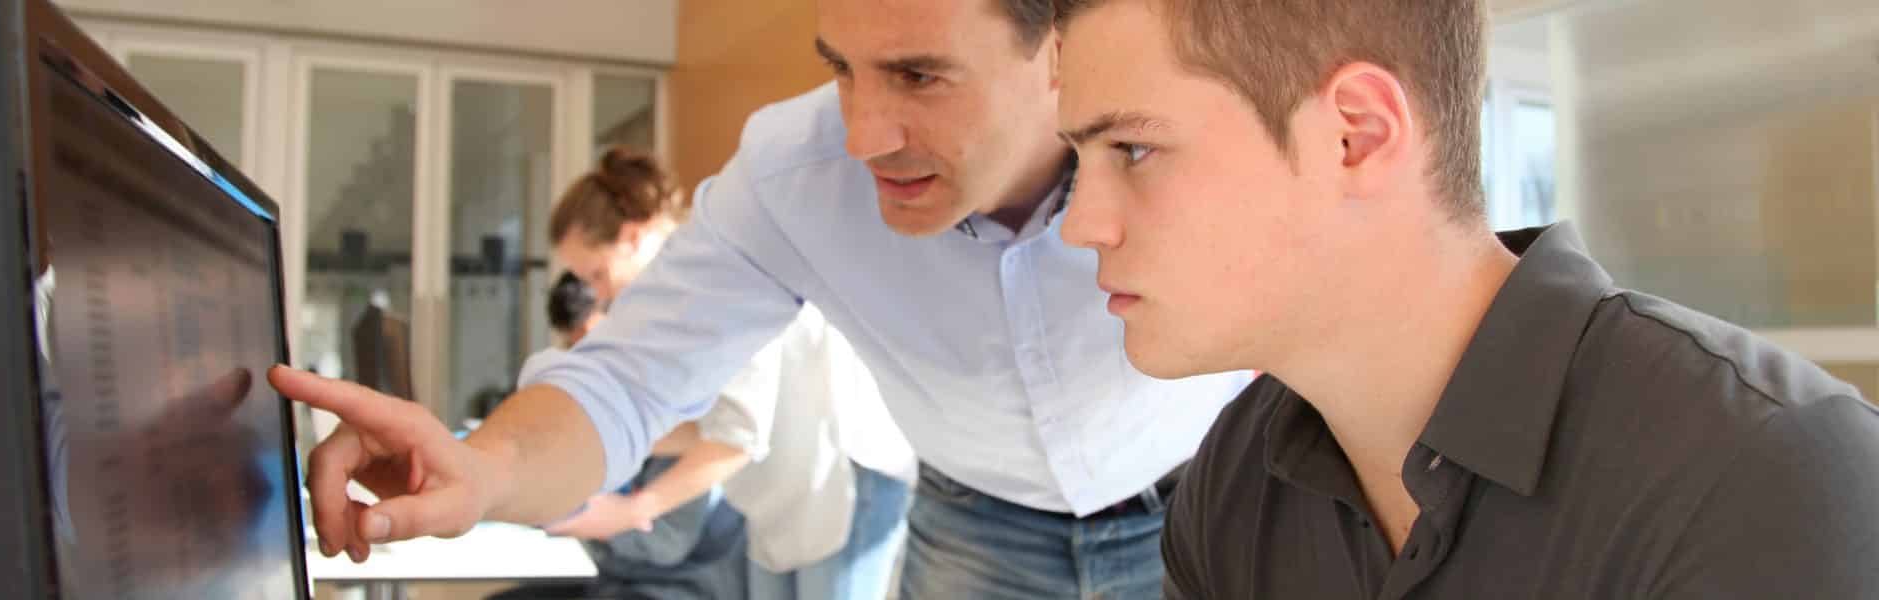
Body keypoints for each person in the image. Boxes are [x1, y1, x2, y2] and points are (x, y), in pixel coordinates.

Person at [266, 1, 1252, 597]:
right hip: (973, 523)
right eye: (839, 69)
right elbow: (626, 378)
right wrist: (479, 473)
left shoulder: (1199, 128)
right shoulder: (792, 171)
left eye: (917, 74)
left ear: (1059, 53)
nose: (862, 135)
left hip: (1221, 502)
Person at [1049, 0, 1879, 598]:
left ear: (1357, 136)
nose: (1079, 225)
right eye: (1078, 164)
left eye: (1133, 149)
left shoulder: (1765, 475)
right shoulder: (1233, 482)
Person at [537, 149, 917, 599]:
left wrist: (632, 509)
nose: (597, 295)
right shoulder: (673, 297)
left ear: (633, 237)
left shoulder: (714, 270)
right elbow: (707, 426)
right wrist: (595, 445)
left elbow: (735, 437)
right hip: (784, 487)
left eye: (597, 275)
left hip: (845, 475)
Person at [498, 271, 751, 600]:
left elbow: (666, 544)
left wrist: (588, 518)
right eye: (574, 346)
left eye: (591, 340)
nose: (587, 360)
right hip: (617, 580)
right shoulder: (608, 414)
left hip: (677, 587)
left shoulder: (681, 409)